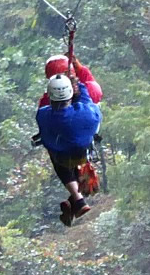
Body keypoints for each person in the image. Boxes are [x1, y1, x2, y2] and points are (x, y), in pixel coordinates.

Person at [35, 71, 101, 226]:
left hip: (61, 157)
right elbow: (88, 101)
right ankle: (76, 202)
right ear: (71, 93)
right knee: (83, 176)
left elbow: (45, 105)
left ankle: (77, 200)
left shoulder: (43, 115)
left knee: (58, 155)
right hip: (83, 154)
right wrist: (79, 86)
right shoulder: (88, 114)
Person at [37, 54, 102, 107]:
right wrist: (80, 70)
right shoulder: (88, 91)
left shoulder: (45, 103)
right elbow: (93, 89)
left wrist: (80, 70)